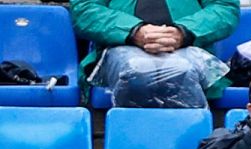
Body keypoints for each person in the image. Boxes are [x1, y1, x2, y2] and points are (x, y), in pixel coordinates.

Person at [73, 0, 236, 108]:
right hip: (118, 48)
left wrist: (183, 32)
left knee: (182, 68)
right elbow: (85, 9)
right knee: (138, 68)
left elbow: (224, 8)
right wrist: (133, 31)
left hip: (188, 47)